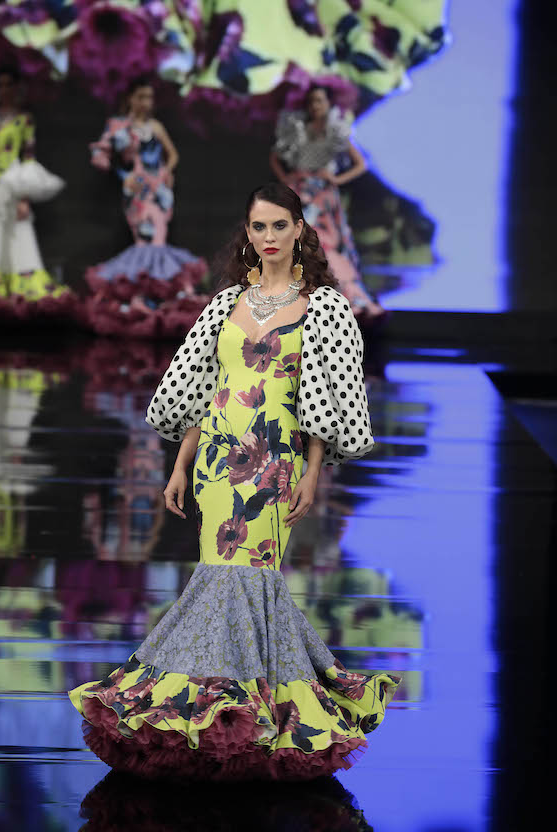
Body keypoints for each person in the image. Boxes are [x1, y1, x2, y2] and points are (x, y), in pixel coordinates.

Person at [68, 182, 400, 780]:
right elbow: (204, 389)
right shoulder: (226, 303)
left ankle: (246, 718)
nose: (269, 237)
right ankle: (214, 717)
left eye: (279, 225)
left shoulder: (325, 307)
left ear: (300, 229)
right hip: (219, 461)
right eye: (258, 226)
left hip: (275, 460)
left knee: (251, 581)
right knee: (216, 581)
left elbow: (325, 402)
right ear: (246, 232)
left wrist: (313, 473)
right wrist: (180, 464)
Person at [85, 78, 209, 337]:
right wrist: (123, 176)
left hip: (159, 191)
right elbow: (102, 155)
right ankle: (141, 298)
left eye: (149, 98)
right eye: (141, 97)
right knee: (144, 242)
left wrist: (166, 172)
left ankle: (161, 300)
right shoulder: (119, 126)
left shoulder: (155, 126)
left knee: (159, 241)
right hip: (137, 191)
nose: (146, 103)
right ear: (130, 98)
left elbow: (173, 154)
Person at [269, 84, 386, 326]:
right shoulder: (298, 128)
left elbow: (360, 164)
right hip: (300, 192)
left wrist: (336, 179)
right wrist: (287, 179)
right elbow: (275, 157)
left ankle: (335, 301)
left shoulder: (335, 131)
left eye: (320, 101)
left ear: (329, 104)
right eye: (312, 101)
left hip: (323, 195)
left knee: (324, 243)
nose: (315, 106)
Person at [0, 65, 77, 322]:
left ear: (17, 88)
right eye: (0, 85)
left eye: (9, 84)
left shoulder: (24, 119)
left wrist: (24, 196)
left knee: (16, 235)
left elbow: (28, 158)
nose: (4, 90)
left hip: (11, 182)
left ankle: (17, 289)